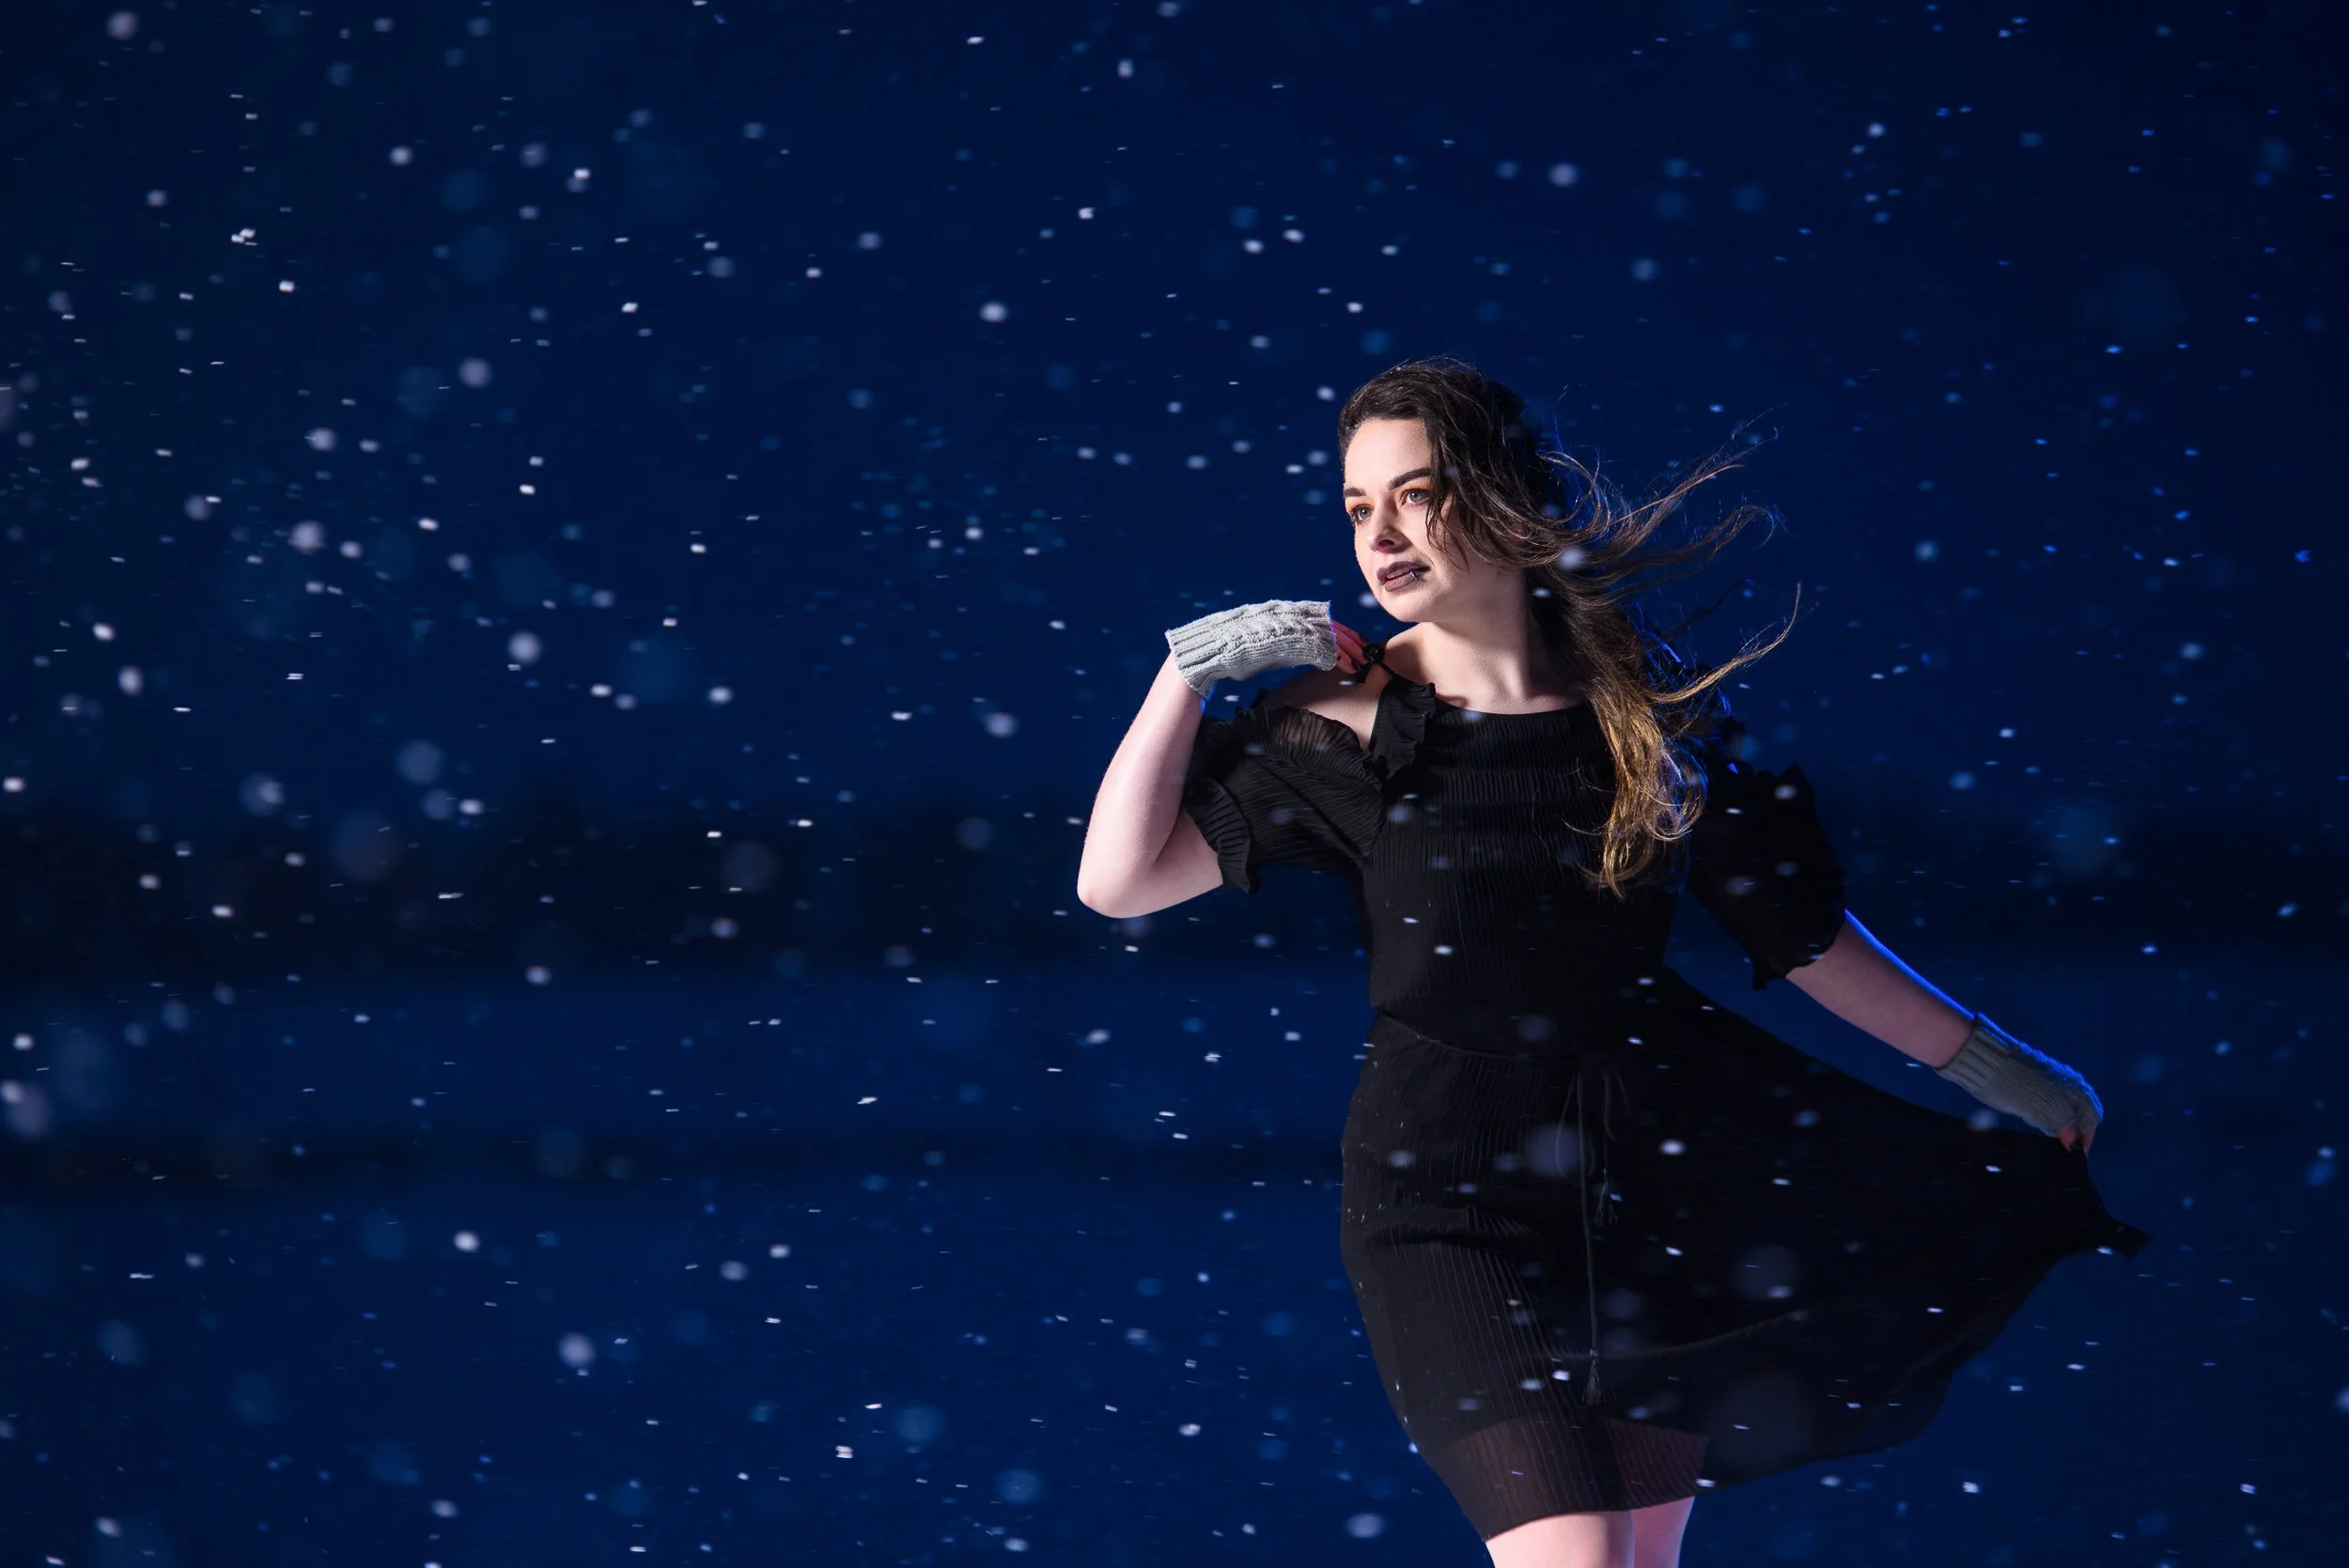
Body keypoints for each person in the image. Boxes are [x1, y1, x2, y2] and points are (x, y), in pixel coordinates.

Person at [1074, 356, 2147, 1568]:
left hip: (1653, 1191)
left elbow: (1799, 936)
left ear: (1503, 495)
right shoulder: (1353, 723)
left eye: (1416, 494)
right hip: (1447, 1207)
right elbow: (1119, 881)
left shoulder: (1651, 717)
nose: (1382, 534)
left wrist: (2002, 1071)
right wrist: (1187, 676)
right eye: (1358, 508)